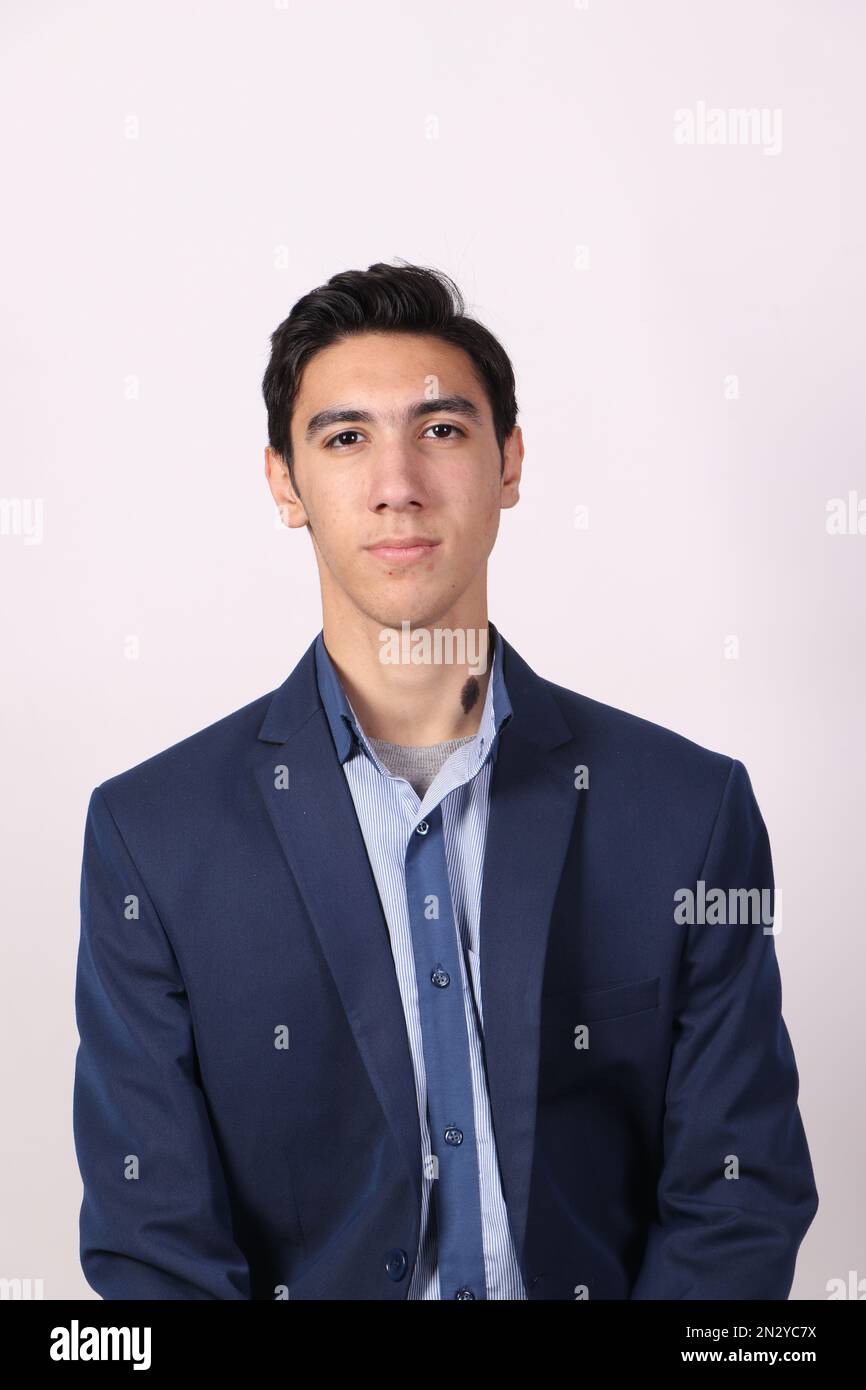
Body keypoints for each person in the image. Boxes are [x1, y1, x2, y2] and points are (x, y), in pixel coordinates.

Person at [73, 261, 818, 1300]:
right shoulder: (152, 837)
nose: (396, 483)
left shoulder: (684, 812)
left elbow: (737, 1201)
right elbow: (155, 1249)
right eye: (343, 438)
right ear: (284, 484)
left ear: (508, 462)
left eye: (440, 430)